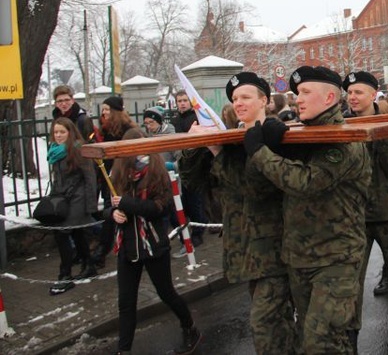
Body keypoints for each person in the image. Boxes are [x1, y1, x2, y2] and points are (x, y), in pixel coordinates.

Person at [243, 65, 370, 353]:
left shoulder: (342, 141)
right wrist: (277, 147)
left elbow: (306, 182)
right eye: (297, 93)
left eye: (305, 92)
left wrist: (261, 152)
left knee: (321, 343)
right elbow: (264, 187)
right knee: (309, 338)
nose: (297, 98)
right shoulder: (304, 136)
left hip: (335, 260)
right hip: (300, 257)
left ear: (328, 99)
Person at [180, 72, 296, 354]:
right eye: (234, 99)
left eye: (246, 97)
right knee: (276, 326)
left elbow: (255, 188)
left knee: (265, 327)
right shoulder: (231, 138)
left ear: (265, 101)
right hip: (244, 249)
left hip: (274, 248)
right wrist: (193, 147)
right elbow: (193, 181)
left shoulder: (278, 137)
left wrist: (218, 152)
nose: (238, 103)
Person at [107, 128, 202, 355]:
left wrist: (126, 204)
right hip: (128, 246)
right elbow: (108, 206)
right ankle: (124, 350)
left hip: (153, 243)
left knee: (166, 292)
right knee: (126, 302)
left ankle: (190, 326)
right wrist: (112, 214)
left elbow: (159, 209)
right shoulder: (117, 172)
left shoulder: (156, 171)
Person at [343, 71, 388, 351]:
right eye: (349, 93)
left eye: (358, 92)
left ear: (374, 95)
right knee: (350, 280)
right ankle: (350, 336)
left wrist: (379, 134)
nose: (352, 97)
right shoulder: (341, 125)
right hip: (354, 215)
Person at [47, 118, 98, 295]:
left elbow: (90, 178)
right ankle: (89, 264)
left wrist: (90, 205)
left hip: (78, 198)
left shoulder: (78, 149)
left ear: (70, 132)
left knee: (62, 233)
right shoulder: (54, 151)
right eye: (56, 132)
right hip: (62, 199)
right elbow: (56, 178)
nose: (59, 136)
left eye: (62, 132)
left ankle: (65, 275)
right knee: (77, 234)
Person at [91, 96, 138, 269]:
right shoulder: (104, 129)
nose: (104, 113)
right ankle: (105, 248)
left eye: (108, 109)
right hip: (107, 177)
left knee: (118, 210)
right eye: (103, 109)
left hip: (123, 177)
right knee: (110, 211)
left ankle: (106, 248)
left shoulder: (127, 129)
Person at [169, 92, 207, 254]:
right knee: (181, 204)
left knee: (195, 201)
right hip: (178, 164)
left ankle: (198, 233)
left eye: (185, 100)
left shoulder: (196, 118)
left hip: (195, 165)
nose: (182, 103)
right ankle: (185, 231)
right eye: (179, 101)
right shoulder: (175, 121)